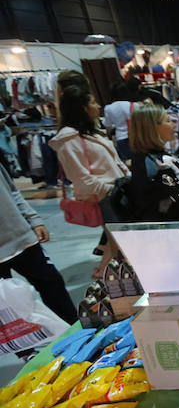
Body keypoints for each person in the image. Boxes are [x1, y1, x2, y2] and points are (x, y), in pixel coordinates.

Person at [50, 85, 130, 276]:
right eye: (93, 102)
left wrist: (126, 179)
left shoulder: (89, 131)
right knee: (121, 237)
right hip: (106, 195)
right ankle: (112, 278)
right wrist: (109, 189)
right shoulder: (68, 139)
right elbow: (80, 177)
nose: (98, 105)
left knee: (118, 237)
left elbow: (113, 160)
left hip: (118, 190)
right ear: (83, 108)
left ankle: (105, 271)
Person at [0, 165, 77, 324]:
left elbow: (12, 190)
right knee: (7, 307)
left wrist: (33, 220)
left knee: (52, 285)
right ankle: (25, 349)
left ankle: (77, 333)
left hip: (21, 236)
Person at [130, 103, 179, 251]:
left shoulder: (145, 157)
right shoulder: (156, 162)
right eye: (167, 120)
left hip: (176, 233)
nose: (173, 124)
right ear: (152, 128)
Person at [104, 82, 138, 161]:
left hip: (121, 138)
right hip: (136, 137)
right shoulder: (134, 105)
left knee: (129, 162)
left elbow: (108, 126)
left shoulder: (108, 108)